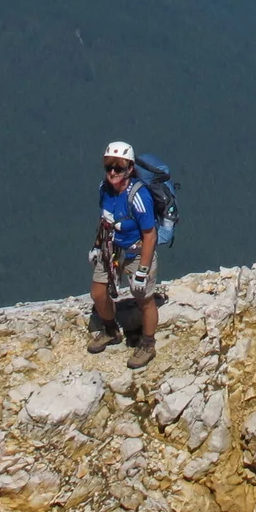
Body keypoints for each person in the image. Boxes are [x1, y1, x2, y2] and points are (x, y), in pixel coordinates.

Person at [90, 141, 159, 369]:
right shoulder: (105, 190)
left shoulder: (138, 197)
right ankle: (111, 331)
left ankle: (148, 344)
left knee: (143, 298)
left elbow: (150, 235)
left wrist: (142, 271)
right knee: (98, 293)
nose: (112, 173)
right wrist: (97, 246)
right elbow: (105, 221)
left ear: (129, 169)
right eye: (109, 167)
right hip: (112, 249)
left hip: (138, 252)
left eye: (118, 168)